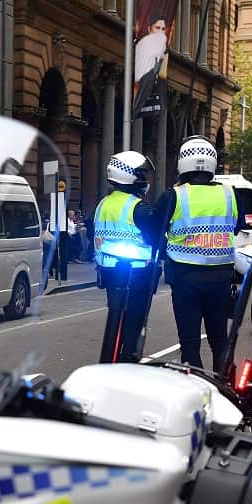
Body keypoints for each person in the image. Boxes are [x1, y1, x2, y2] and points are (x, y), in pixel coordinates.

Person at [154, 135, 244, 370]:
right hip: (221, 280)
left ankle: (197, 388)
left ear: (182, 164)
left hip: (186, 281)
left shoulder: (174, 195)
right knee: (220, 341)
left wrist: (165, 250)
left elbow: (152, 230)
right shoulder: (229, 194)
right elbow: (237, 225)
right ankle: (226, 391)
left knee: (190, 344)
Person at [93, 150, 160, 362]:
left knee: (115, 318)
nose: (143, 180)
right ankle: (127, 362)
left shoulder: (103, 204)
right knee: (134, 324)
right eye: (140, 174)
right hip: (137, 273)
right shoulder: (137, 207)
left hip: (108, 271)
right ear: (128, 175)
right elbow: (156, 237)